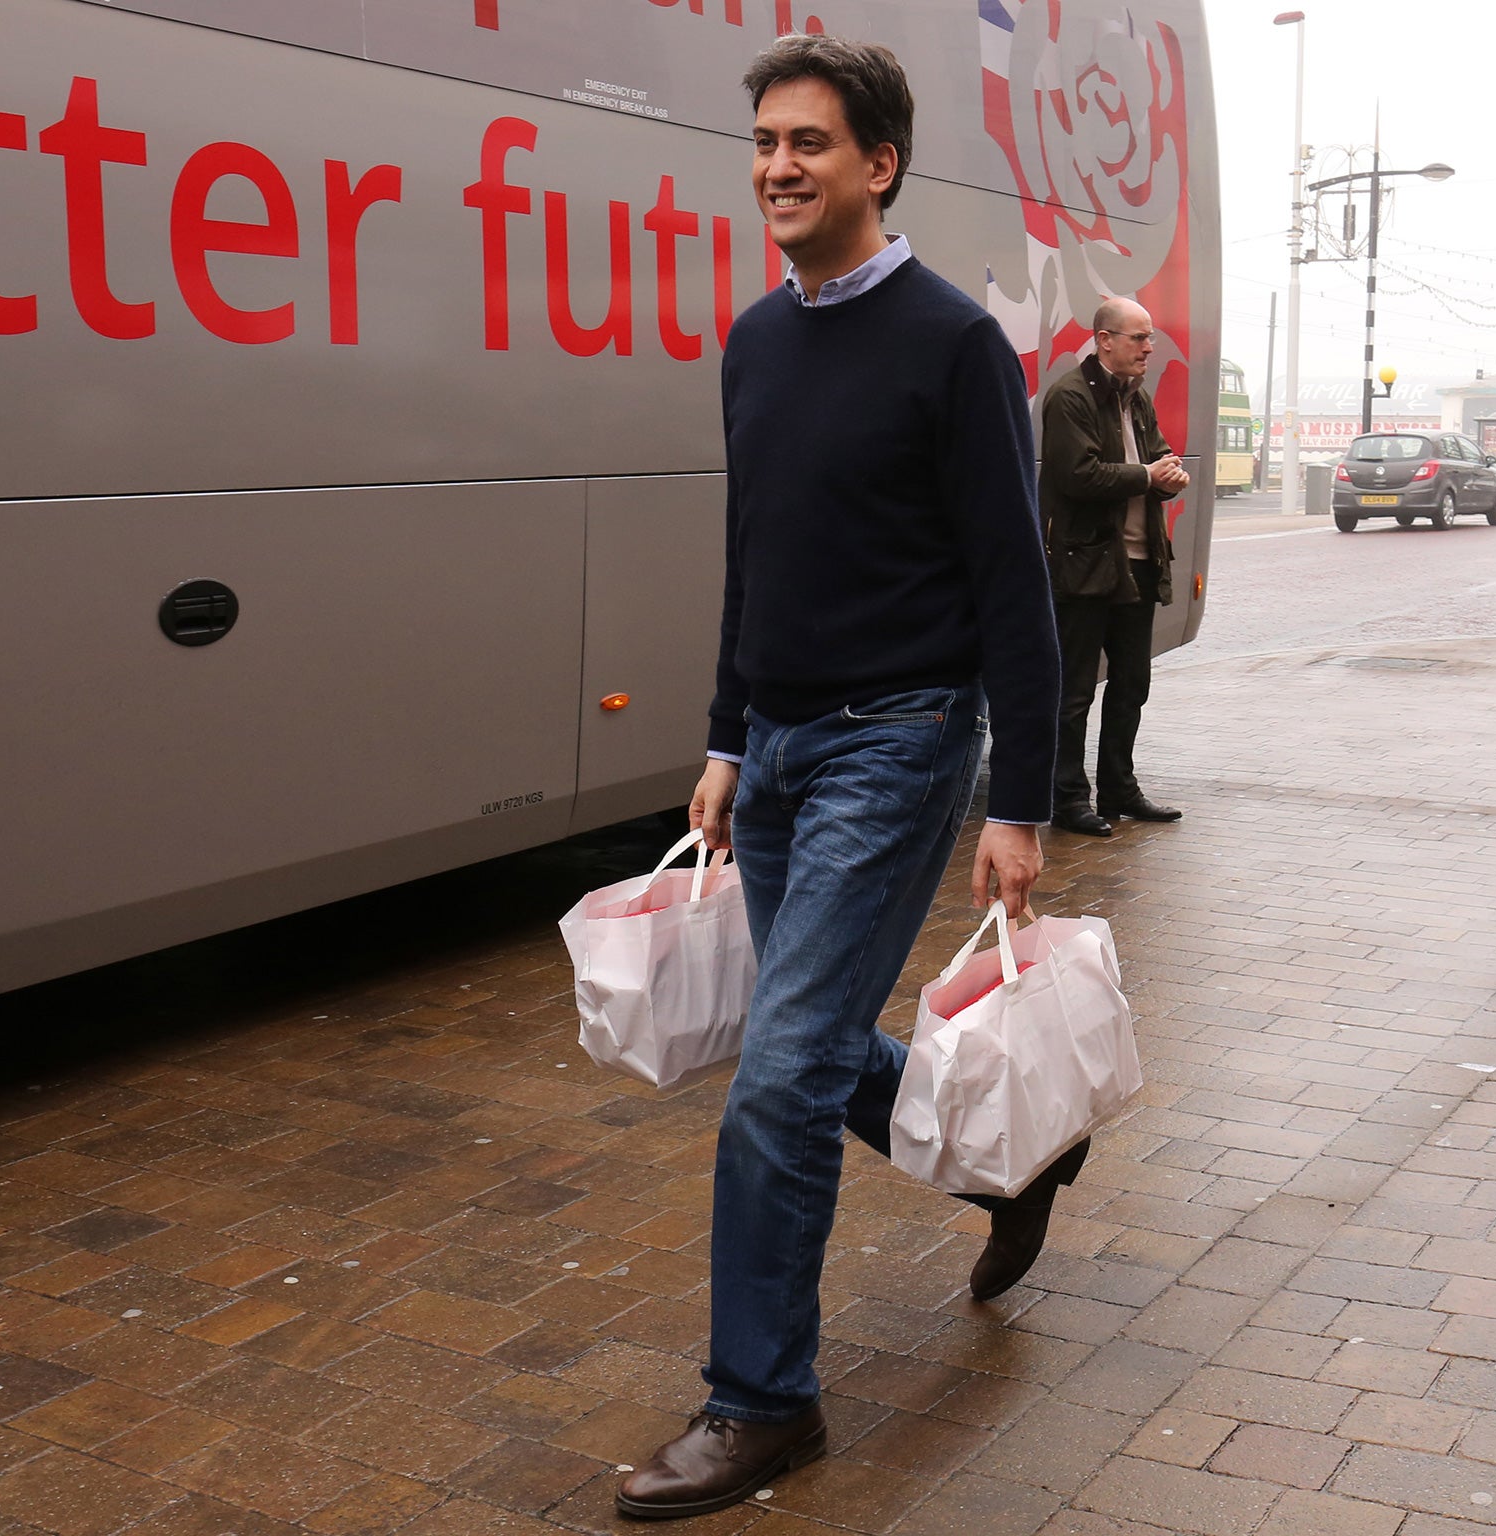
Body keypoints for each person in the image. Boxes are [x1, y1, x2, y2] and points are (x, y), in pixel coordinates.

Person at [615, 34, 1089, 1522]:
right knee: (794, 1038)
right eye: (763, 141)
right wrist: (725, 733)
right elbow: (756, 560)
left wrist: (1019, 803)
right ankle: (1014, 1166)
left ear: (876, 165)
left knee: (778, 1077)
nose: (776, 167)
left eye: (808, 142)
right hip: (787, 742)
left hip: (901, 739)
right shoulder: (757, 341)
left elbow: (1017, 588)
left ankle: (760, 1401)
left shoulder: (951, 344)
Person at [1040, 299, 1190, 838]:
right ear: (1104, 340)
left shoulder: (1137, 398)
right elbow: (1080, 476)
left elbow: (1156, 455)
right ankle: (1068, 799)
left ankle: (1119, 789)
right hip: (1085, 564)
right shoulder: (1069, 397)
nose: (1149, 348)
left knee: (1131, 683)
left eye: (1149, 338)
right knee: (1075, 690)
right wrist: (1148, 477)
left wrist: (1169, 473)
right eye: (1138, 338)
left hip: (1139, 562)